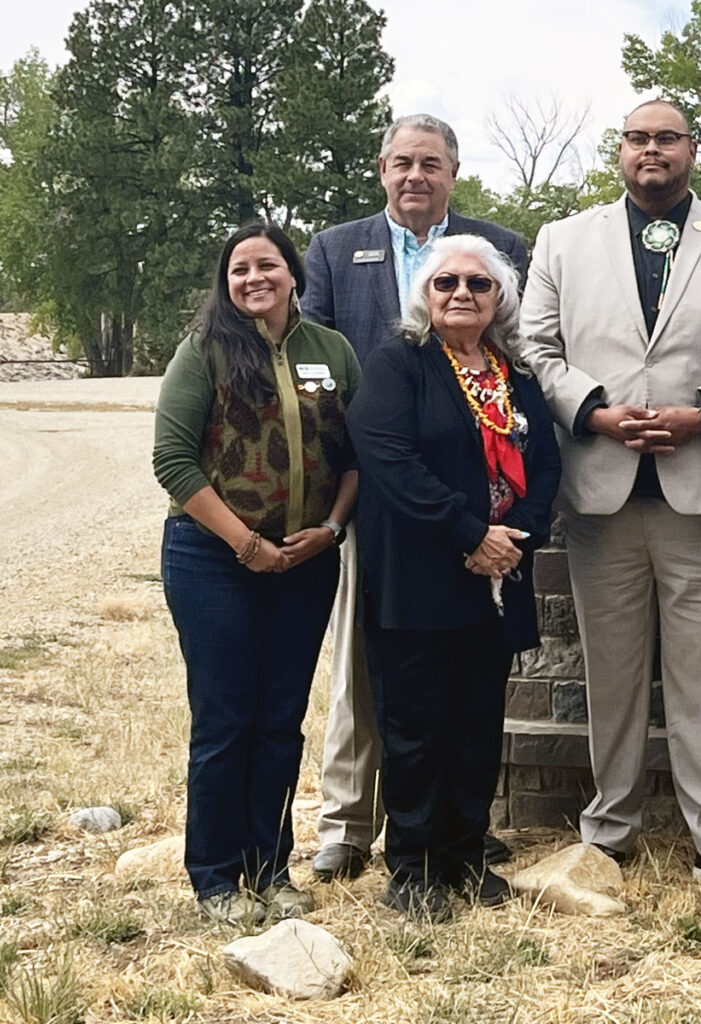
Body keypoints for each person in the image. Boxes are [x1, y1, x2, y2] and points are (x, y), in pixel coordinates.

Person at [516, 100, 701, 893]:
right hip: (602, 485)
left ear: (692, 151)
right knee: (614, 669)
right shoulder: (564, 241)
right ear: (621, 151)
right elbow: (535, 346)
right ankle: (610, 824)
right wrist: (592, 410)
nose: (652, 151)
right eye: (638, 138)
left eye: (667, 138)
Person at [298, 112, 530, 884]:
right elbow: (317, 365)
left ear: (452, 172)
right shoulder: (336, 251)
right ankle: (354, 827)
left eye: (431, 163)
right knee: (375, 681)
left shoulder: (496, 257)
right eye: (403, 162)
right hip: (379, 496)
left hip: (480, 533)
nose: (415, 175)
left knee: (465, 701)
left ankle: (461, 842)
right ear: (381, 167)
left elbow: (540, 446)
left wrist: (506, 528)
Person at [150, 222, 360, 928]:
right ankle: (215, 878)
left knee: (279, 721)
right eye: (238, 270)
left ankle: (271, 869)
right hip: (214, 559)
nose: (252, 279)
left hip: (306, 561)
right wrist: (247, 545)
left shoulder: (330, 351)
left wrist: (329, 530)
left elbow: (359, 455)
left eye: (266, 266)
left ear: (293, 274)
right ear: (226, 281)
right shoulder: (203, 351)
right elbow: (172, 462)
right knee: (225, 719)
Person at [346, 235, 560, 922]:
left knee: (476, 725)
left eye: (478, 283)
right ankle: (412, 868)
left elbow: (547, 467)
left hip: (495, 580)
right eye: (446, 283)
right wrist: (471, 534)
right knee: (415, 730)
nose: (461, 294)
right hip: (419, 580)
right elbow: (391, 461)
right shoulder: (398, 364)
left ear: (500, 298)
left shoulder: (515, 373)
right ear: (424, 295)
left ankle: (465, 858)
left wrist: (511, 537)